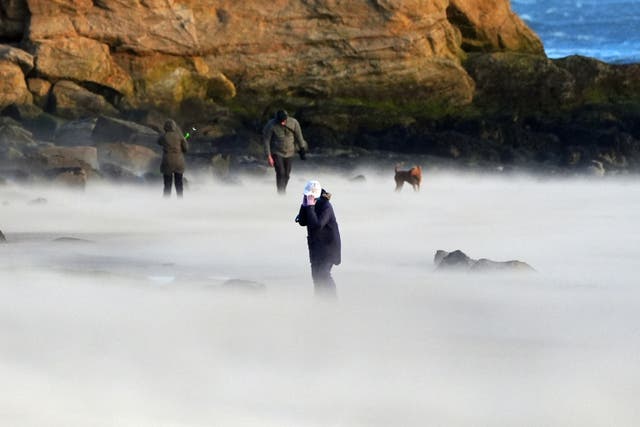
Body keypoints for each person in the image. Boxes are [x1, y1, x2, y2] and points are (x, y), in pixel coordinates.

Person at [295, 180, 341, 297]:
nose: (307, 197)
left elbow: (317, 226)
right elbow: (302, 221)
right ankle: (320, 303)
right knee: (316, 276)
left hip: (329, 248)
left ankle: (332, 301)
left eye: (309, 195)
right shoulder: (310, 204)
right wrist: (304, 205)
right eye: (305, 195)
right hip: (315, 247)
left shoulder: (326, 206)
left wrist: (310, 207)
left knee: (323, 274)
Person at [263, 109, 308, 194]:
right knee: (280, 172)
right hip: (276, 152)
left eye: (284, 121)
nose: (283, 123)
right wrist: (269, 156)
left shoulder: (294, 122)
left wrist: (302, 150)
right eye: (281, 121)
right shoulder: (271, 125)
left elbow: (299, 136)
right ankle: (281, 193)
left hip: (290, 152)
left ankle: (283, 190)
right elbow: (266, 141)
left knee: (287, 174)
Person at [157, 119, 189, 198]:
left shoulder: (164, 136)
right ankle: (180, 201)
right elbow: (186, 149)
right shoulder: (180, 136)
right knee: (179, 184)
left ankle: (166, 203)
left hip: (167, 162)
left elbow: (158, 142)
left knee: (167, 185)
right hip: (179, 162)